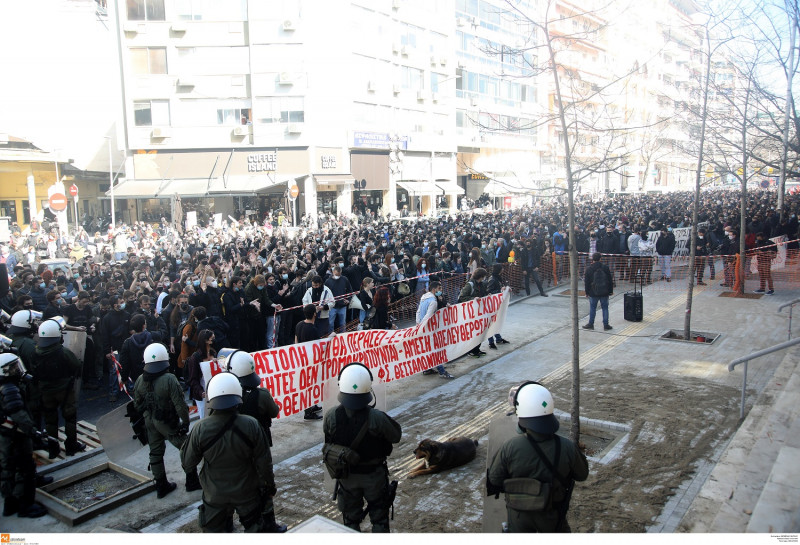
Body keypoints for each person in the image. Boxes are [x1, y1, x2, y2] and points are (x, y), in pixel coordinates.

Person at [180, 372, 278, 533]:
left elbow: (187, 462)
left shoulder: (200, 428)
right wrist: (269, 486)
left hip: (215, 495)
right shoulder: (251, 425)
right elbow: (264, 462)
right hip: (247, 492)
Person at [486, 382, 589, 532]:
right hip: (552, 518)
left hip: (518, 518)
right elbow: (582, 475)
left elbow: (494, 481)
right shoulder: (567, 447)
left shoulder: (509, 447)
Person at [323, 362, 402, 532]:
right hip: (374, 477)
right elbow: (396, 436)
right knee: (379, 519)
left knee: (350, 521)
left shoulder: (331, 416)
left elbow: (328, 441)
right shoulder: (377, 417)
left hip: (346, 477)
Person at [224, 349, 287, 533]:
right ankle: (269, 522)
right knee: (264, 483)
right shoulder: (262, 394)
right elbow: (274, 412)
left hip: (235, 447)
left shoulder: (226, 397)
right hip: (260, 445)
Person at [132, 343, 200, 498]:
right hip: (168, 423)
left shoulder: (140, 380)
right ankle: (191, 481)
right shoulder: (169, 379)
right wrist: (186, 423)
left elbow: (136, 404)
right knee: (186, 447)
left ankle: (161, 485)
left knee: (155, 452)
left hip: (150, 421)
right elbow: (181, 405)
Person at [0, 352, 48, 518]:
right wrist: (34, 434)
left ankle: (10, 503)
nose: (17, 370)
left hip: (6, 436)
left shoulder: (4, 387)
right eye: (14, 367)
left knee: (8, 469)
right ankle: (25, 505)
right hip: (16, 436)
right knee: (25, 468)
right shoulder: (10, 389)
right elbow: (20, 416)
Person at [33, 317, 87, 458]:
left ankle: (53, 448)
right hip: (64, 389)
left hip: (45, 391)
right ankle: (71, 445)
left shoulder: (35, 352)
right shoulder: (62, 352)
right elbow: (76, 365)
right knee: (69, 417)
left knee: (50, 420)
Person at [417, 281, 454, 379]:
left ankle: (426, 368)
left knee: (428, 348)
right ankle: (441, 371)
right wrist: (422, 326)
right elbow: (428, 316)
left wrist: (418, 324)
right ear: (434, 289)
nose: (441, 291)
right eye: (439, 289)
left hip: (423, 326)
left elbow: (419, 311)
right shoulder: (433, 301)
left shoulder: (424, 297)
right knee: (435, 350)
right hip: (428, 327)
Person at [294, 304, 325, 421]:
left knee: (308, 385)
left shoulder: (299, 324)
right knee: (310, 385)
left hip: (302, 360)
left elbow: (296, 341)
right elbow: (319, 347)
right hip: (310, 361)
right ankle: (308, 412)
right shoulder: (312, 329)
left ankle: (312, 405)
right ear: (314, 315)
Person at [185, 329, 216, 419]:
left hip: (213, 390)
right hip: (202, 394)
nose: (214, 340)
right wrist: (201, 392)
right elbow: (193, 379)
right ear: (206, 341)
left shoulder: (213, 352)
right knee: (205, 416)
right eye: (212, 338)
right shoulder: (195, 358)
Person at [458, 268, 488, 357]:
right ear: (481, 276)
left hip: (479, 311)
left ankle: (477, 349)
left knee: (480, 331)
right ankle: (472, 350)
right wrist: (473, 299)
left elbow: (483, 294)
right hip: (471, 313)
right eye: (483, 277)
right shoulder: (470, 285)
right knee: (473, 332)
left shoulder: (481, 284)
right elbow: (462, 297)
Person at [582, 252, 613, 331]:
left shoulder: (589, 269)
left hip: (593, 292)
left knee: (592, 308)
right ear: (600, 259)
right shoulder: (605, 268)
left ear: (592, 259)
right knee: (605, 308)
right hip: (604, 291)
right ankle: (606, 325)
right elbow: (610, 280)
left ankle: (591, 324)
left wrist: (586, 292)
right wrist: (610, 291)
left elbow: (587, 282)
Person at [485, 264, 511, 349]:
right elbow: (489, 291)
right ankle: (491, 342)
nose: (503, 269)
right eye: (502, 268)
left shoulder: (498, 278)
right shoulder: (492, 279)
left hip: (498, 304)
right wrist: (500, 290)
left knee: (496, 322)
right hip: (492, 305)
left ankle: (498, 338)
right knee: (491, 323)